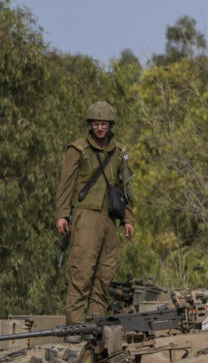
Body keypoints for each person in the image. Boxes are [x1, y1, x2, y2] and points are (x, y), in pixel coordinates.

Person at [55, 101, 136, 327]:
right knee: (81, 272)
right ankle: (75, 326)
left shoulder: (121, 152)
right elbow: (65, 184)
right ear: (90, 125)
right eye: (96, 124)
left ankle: (94, 325)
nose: (100, 128)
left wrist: (128, 219)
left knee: (105, 275)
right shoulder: (78, 149)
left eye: (104, 124)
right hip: (86, 216)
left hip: (110, 218)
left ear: (111, 125)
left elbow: (126, 187)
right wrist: (62, 214)